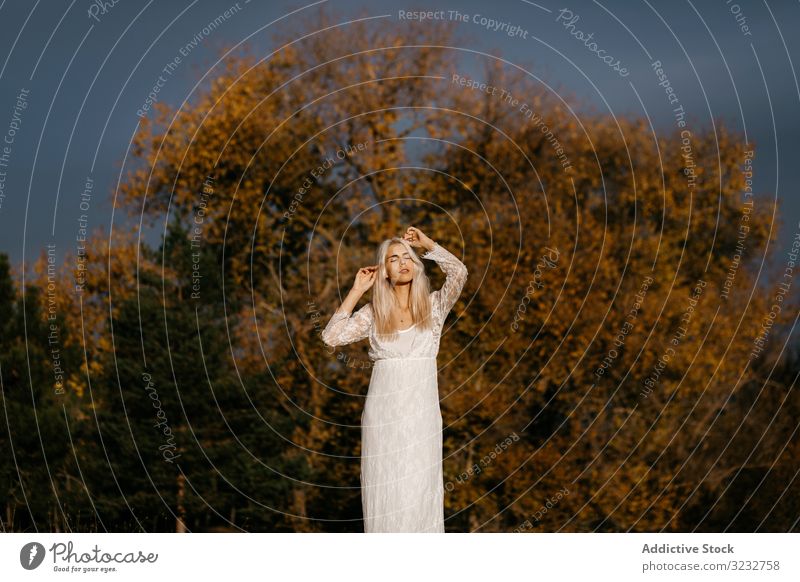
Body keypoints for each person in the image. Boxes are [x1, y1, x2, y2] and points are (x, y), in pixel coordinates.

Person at [321, 226, 468, 533]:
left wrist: (427, 243)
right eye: (393, 259)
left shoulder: (434, 307)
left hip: (422, 413)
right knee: (385, 486)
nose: (402, 262)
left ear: (416, 264)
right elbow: (331, 337)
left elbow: (459, 273)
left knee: (419, 487)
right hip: (383, 413)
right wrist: (358, 290)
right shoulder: (374, 312)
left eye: (407, 257)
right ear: (384, 271)